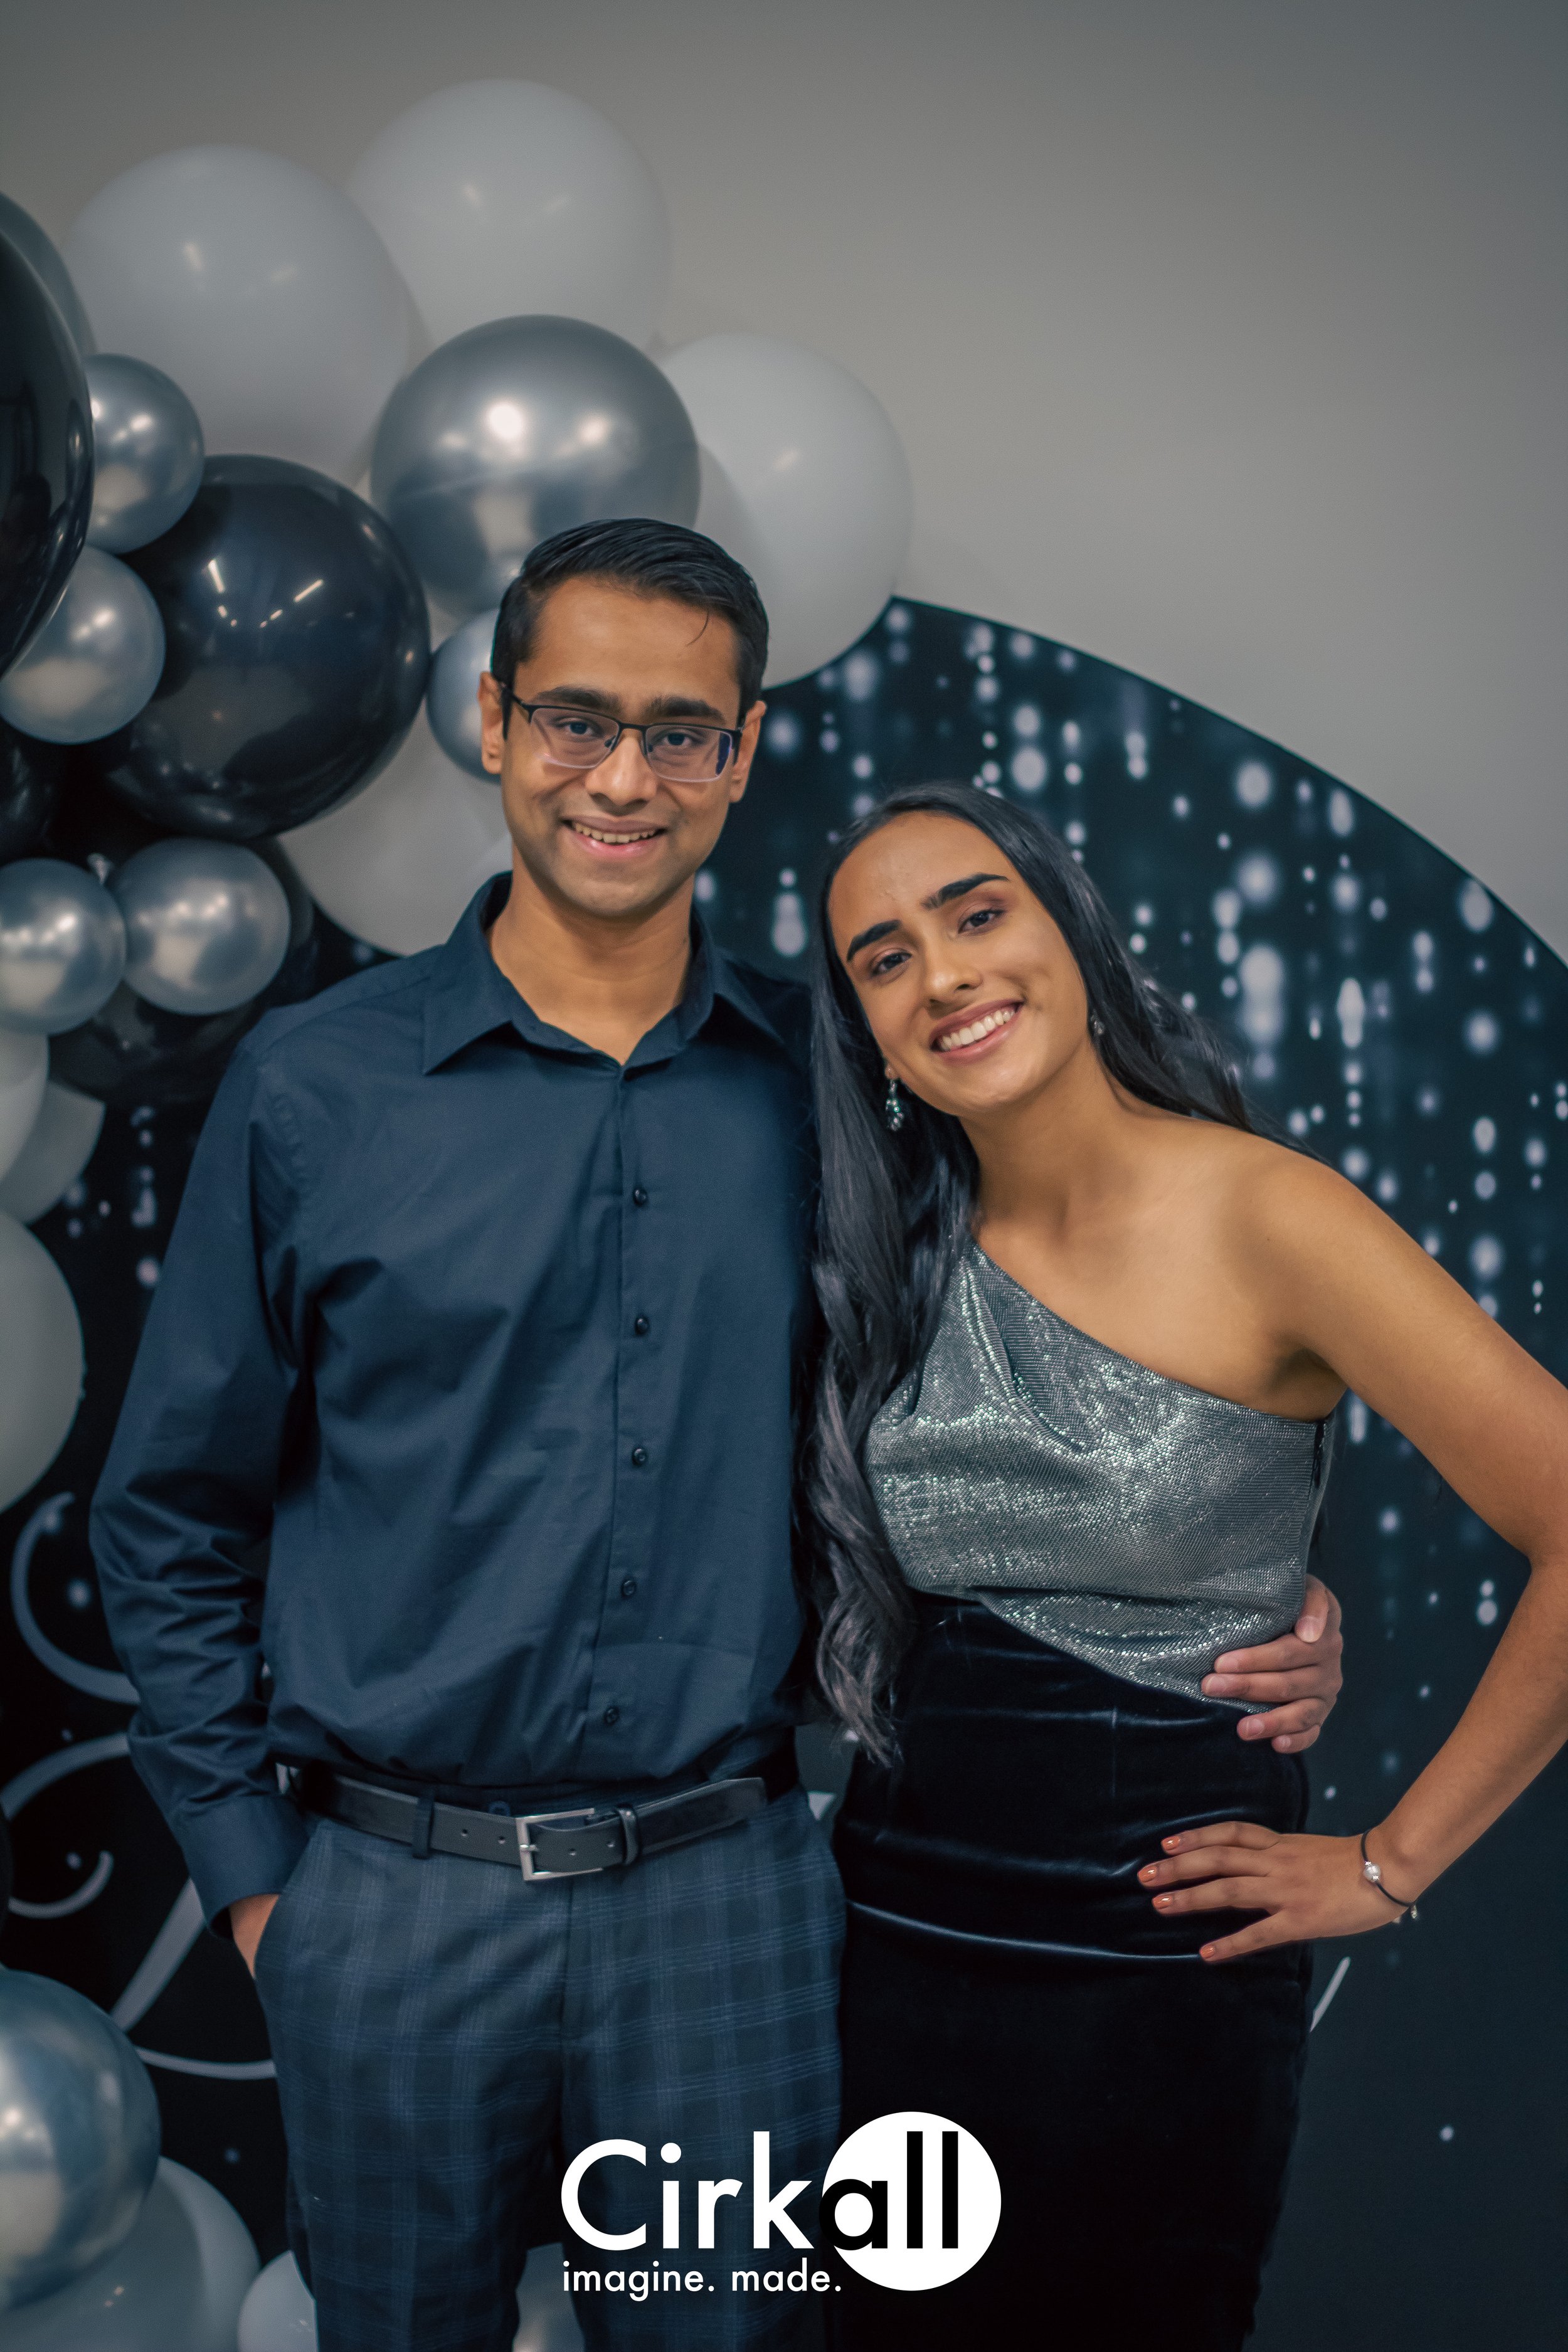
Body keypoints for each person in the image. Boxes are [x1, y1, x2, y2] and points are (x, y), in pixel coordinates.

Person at [91, 528, 1341, 2352]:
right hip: (387, 1906)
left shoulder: (845, 1079)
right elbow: (174, 1512)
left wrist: (1245, 1562)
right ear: (500, 724)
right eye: (577, 719)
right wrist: (261, 1886)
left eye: (680, 732)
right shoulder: (317, 1086)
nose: (622, 776)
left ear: (742, 751)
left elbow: (1065, 1337)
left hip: (727, 1910)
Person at [806, 781, 1568, 2351]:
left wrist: (1388, 1861)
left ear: (1069, 934)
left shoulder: (1267, 1211)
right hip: (887, 1940)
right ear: (866, 1033)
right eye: (882, 960)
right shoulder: (887, 1246)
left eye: (973, 914)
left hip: (1150, 1967)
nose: (941, 975)